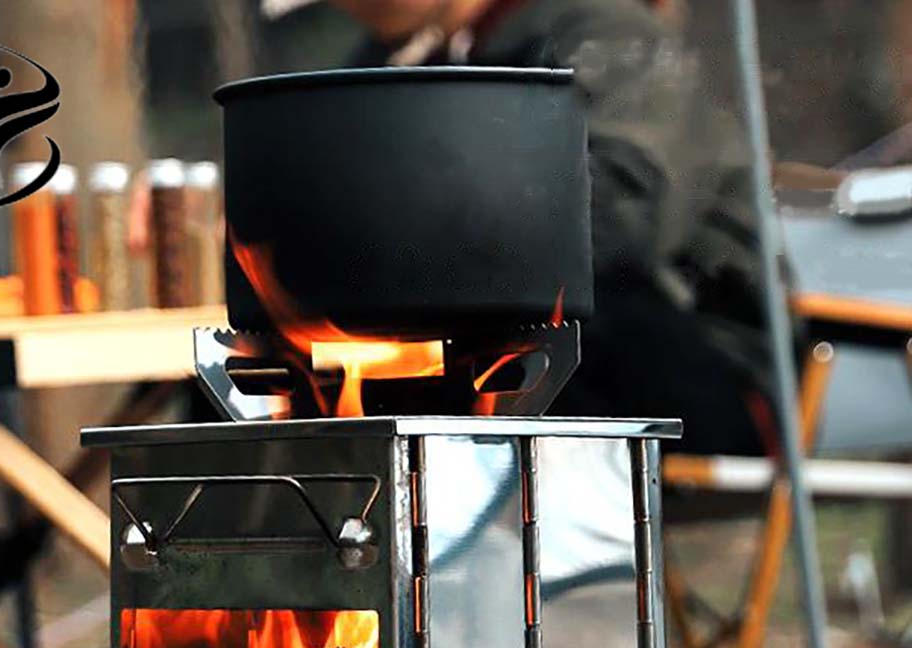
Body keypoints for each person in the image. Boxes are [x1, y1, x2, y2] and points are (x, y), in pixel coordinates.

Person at [328, 0, 785, 456]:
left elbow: (618, 214)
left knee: (539, 315)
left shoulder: (604, 34)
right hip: (493, 347)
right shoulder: (378, 70)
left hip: (696, 352)